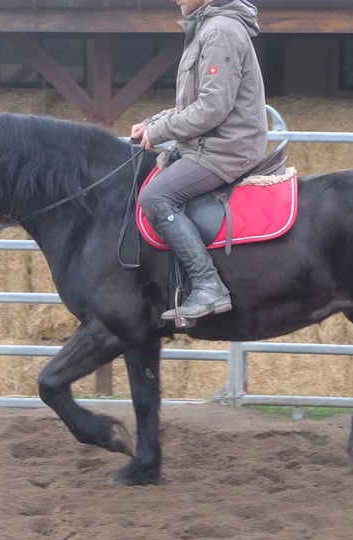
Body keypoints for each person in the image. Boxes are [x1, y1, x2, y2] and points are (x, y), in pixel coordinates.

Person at [131, 0, 267, 321]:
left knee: (156, 196)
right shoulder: (208, 28)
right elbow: (193, 102)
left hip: (226, 148)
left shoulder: (220, 31)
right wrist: (154, 123)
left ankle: (208, 285)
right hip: (212, 143)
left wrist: (161, 130)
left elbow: (212, 108)